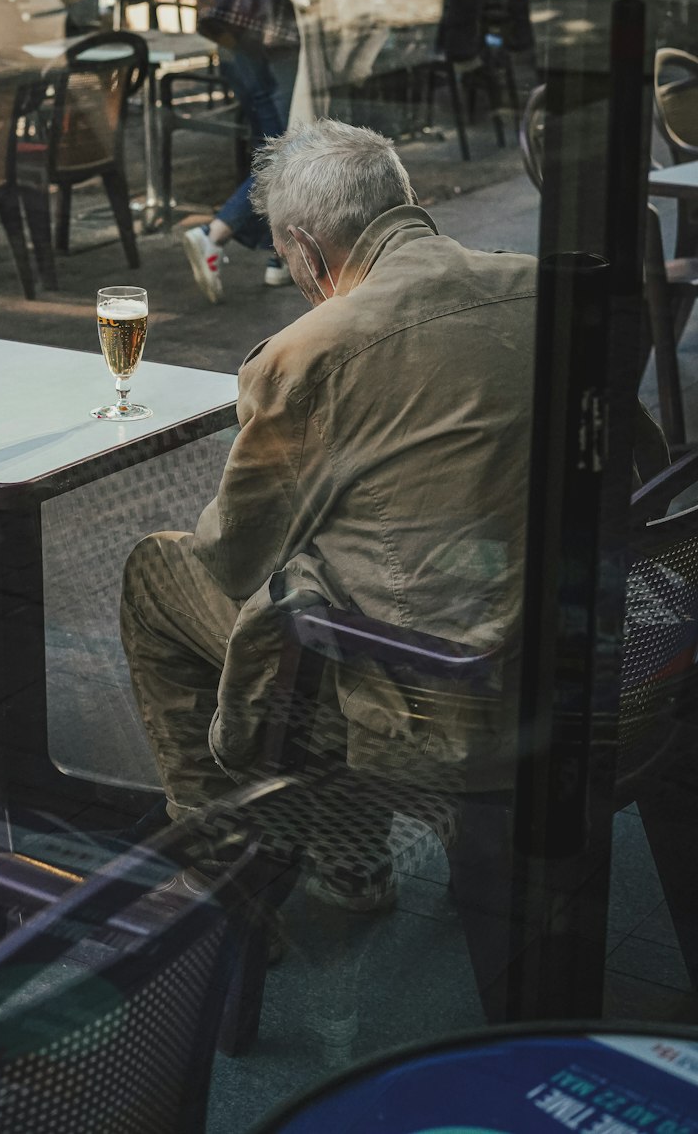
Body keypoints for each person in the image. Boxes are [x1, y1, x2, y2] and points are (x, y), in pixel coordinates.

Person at [121, 117, 539, 898]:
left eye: (286, 256)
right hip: (569, 656)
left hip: (434, 695)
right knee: (343, 573)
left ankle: (222, 872)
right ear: (403, 202)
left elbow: (234, 554)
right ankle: (346, 852)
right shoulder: (544, 285)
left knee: (160, 572)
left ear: (309, 253)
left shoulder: (312, 350)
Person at [182, 0, 305, 301]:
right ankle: (214, 235)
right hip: (272, 41)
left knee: (271, 143)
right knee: (289, 149)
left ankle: (280, 257)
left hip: (234, 41)